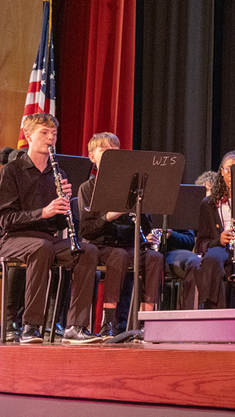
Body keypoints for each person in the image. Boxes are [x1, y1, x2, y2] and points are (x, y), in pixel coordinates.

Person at [0, 113, 102, 344]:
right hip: (13, 238)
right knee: (41, 248)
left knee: (87, 251)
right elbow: (4, 219)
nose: (51, 138)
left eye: (53, 133)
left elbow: (58, 223)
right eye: (44, 132)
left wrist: (66, 207)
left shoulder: (58, 173)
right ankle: (31, 326)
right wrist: (43, 211)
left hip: (45, 238)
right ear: (28, 135)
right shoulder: (11, 171)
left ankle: (76, 326)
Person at [78, 133, 165, 337]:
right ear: (92, 157)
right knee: (119, 255)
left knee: (155, 258)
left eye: (115, 152)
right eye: (105, 152)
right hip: (102, 246)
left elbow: (144, 226)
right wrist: (108, 216)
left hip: (129, 245)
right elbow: (87, 230)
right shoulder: (87, 188)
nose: (112, 156)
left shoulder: (132, 188)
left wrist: (141, 208)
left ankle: (146, 322)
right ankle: (109, 322)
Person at [196, 151, 235, 308]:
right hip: (221, 247)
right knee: (212, 259)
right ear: (222, 171)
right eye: (230, 169)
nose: (234, 174)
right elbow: (201, 243)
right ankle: (215, 312)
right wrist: (219, 240)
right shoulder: (208, 203)